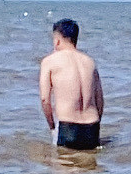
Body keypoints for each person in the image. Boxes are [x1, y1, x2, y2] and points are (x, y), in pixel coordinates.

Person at [39, 17, 104, 149]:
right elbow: (100, 100)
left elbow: (45, 99)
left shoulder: (49, 61)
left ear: (57, 40)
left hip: (68, 126)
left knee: (63, 161)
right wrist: (96, 124)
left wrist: (52, 126)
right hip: (92, 126)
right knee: (89, 161)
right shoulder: (90, 62)